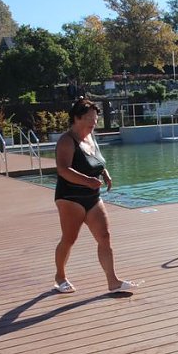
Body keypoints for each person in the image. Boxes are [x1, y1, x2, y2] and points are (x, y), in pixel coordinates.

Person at [53, 98, 137, 294]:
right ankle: (60, 277)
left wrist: (104, 172)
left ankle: (113, 281)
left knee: (104, 237)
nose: (94, 123)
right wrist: (87, 181)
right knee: (69, 239)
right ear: (77, 118)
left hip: (92, 197)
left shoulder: (91, 137)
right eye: (90, 119)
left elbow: (95, 161)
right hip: (70, 197)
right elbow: (63, 169)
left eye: (96, 119)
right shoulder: (67, 140)